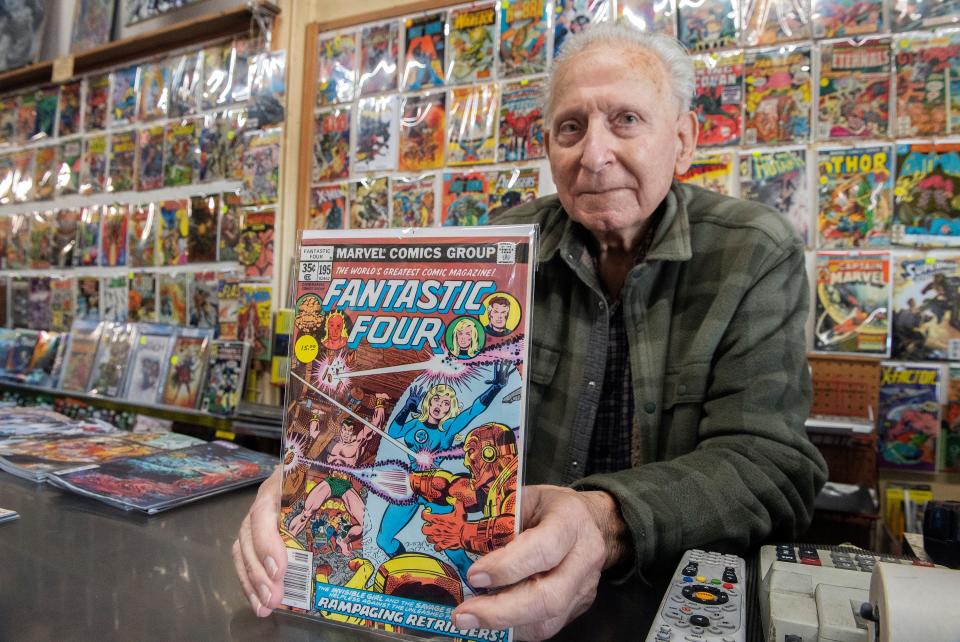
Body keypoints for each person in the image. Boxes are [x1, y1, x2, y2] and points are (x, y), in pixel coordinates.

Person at [233, 23, 827, 640]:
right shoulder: (499, 251)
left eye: (625, 120)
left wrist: (603, 521)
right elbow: (397, 384)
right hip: (497, 598)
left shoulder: (753, 252)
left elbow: (771, 467)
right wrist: (313, 471)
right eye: (571, 128)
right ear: (548, 147)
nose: (593, 154)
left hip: (668, 606)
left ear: (682, 141)